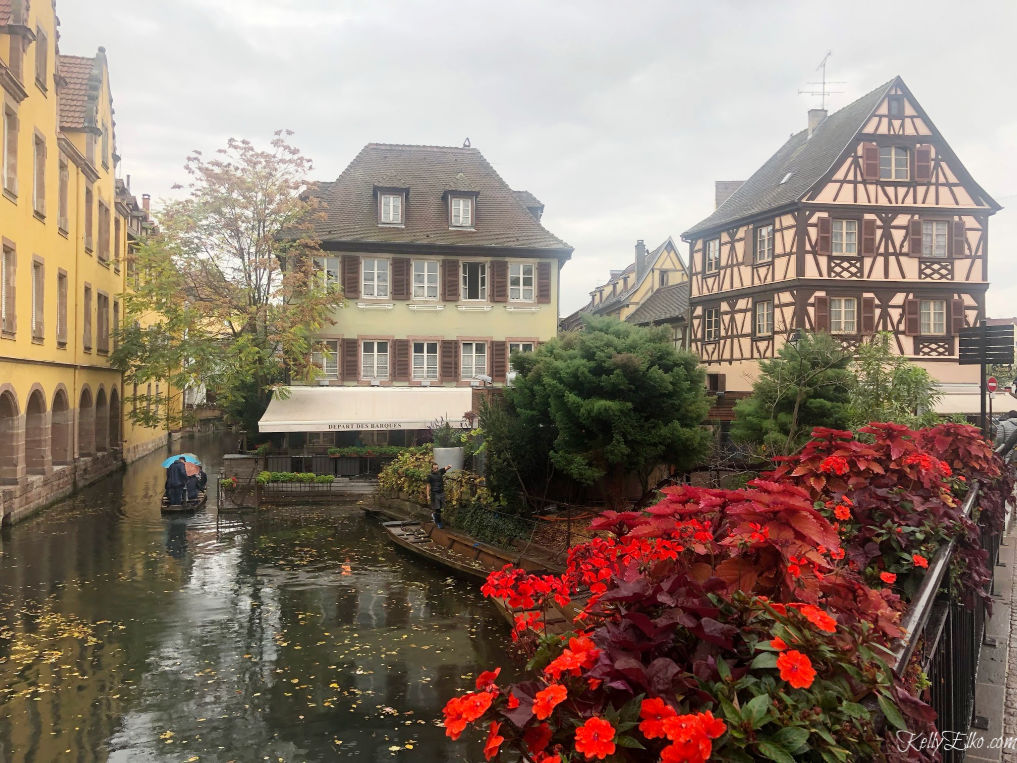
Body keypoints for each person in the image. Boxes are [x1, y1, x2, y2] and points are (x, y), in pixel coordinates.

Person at [425, 462, 450, 529]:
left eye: (437, 468)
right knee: (438, 508)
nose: (436, 469)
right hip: (435, 493)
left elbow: (446, 468)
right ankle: (439, 523)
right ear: (432, 469)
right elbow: (428, 486)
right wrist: (427, 495)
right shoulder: (429, 476)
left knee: (442, 508)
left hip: (441, 492)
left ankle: (434, 515)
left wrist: (449, 466)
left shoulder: (440, 472)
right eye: (435, 468)